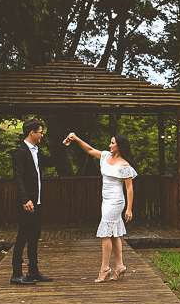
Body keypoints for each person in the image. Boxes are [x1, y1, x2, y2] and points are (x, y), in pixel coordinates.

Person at [63, 131, 137, 282]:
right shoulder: (105, 157)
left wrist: (129, 208)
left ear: (119, 146)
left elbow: (129, 188)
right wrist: (76, 138)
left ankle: (104, 269)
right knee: (114, 232)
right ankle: (120, 266)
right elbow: (90, 150)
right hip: (106, 200)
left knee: (106, 232)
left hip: (116, 201)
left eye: (112, 143)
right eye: (110, 143)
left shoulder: (125, 165)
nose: (110, 145)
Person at [10, 118, 54, 285]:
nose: (42, 135)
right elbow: (18, 178)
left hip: (37, 201)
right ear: (32, 133)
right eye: (40, 132)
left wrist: (64, 145)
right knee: (23, 236)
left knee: (35, 236)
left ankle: (33, 271)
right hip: (26, 202)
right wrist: (25, 199)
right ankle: (16, 274)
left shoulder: (37, 151)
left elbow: (52, 162)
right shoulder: (20, 152)